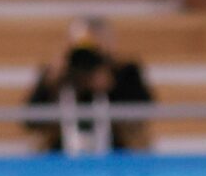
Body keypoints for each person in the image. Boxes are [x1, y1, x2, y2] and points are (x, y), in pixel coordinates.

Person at [25, 15, 155, 153]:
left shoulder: (124, 71)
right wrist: (51, 83)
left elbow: (145, 110)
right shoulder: (57, 73)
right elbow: (30, 120)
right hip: (62, 150)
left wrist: (112, 86)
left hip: (116, 147)